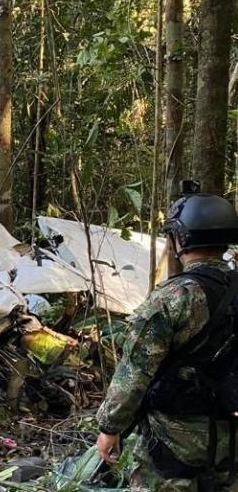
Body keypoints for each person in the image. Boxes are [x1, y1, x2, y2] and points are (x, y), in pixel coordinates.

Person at [96, 185, 238, 492]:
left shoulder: (175, 297)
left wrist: (110, 427)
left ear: (181, 239)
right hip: (229, 441)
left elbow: (133, 371)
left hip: (172, 444)